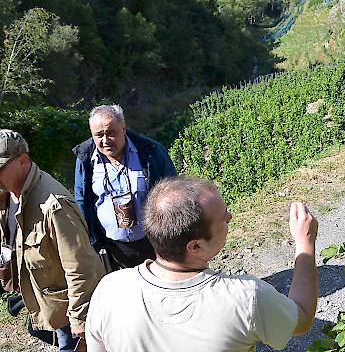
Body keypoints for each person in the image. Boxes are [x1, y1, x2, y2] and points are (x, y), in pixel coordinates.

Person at [85, 176, 319, 352]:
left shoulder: (109, 290)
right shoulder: (246, 298)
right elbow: (302, 319)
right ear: (195, 247)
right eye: (223, 218)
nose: (230, 218)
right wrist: (305, 244)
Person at [0, 129, 104, 352]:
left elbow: (81, 267)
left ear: (23, 161)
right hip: (44, 302)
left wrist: (81, 321)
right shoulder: (7, 195)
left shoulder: (54, 205)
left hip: (68, 313)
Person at [72, 105, 176, 270]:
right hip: (113, 249)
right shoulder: (85, 160)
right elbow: (82, 199)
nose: (105, 141)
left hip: (154, 243)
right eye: (98, 135)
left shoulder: (150, 152)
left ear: (124, 129)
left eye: (111, 133)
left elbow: (174, 191)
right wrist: (92, 241)